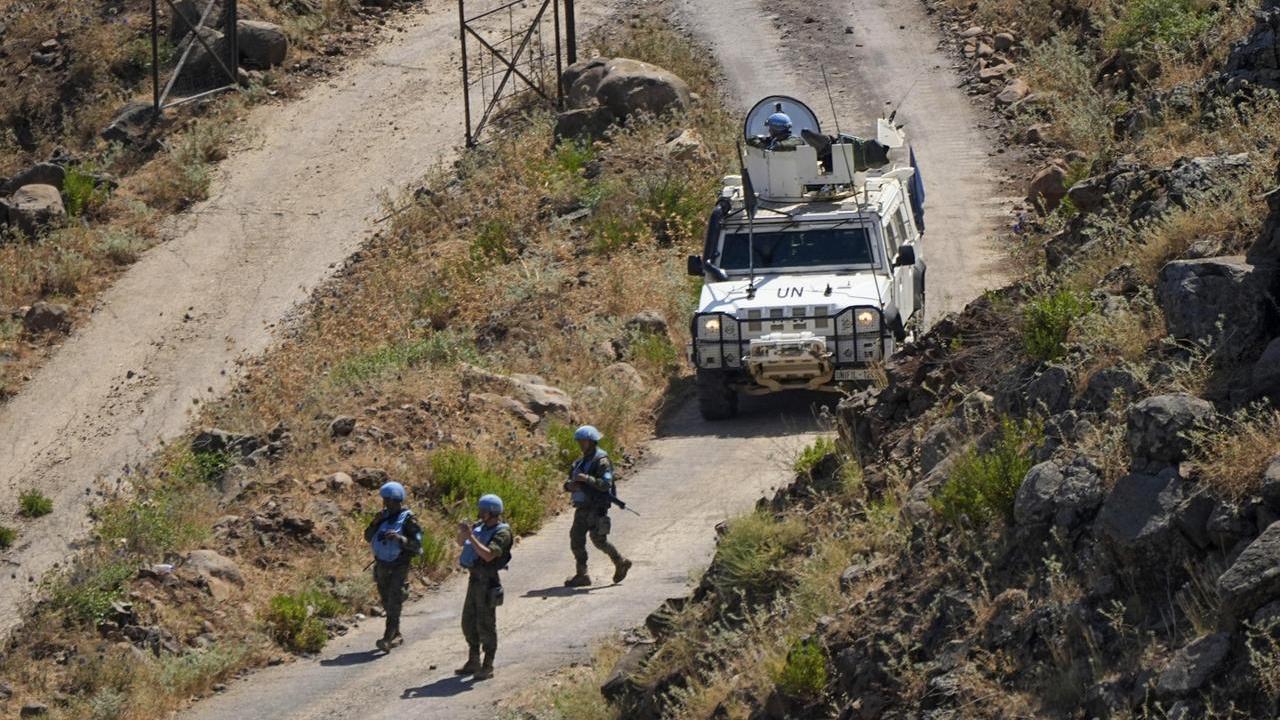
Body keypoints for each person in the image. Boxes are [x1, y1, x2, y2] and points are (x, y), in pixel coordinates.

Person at [563, 425, 632, 588]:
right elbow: (568, 481)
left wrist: (587, 479)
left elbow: (605, 484)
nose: (581, 445)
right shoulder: (579, 462)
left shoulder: (601, 461)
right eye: (579, 442)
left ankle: (620, 562)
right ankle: (582, 574)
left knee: (599, 540)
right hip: (581, 507)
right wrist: (569, 486)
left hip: (596, 506)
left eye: (584, 442)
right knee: (576, 539)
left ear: (592, 442)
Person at [455, 493, 513, 681]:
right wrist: (464, 534)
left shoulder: (502, 533)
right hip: (474, 579)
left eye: (483, 511)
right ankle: (473, 660)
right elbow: (461, 543)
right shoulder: (480, 528)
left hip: (488, 582)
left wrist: (471, 537)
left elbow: (489, 555)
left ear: (492, 513)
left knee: (486, 624)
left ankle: (487, 665)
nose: (479, 513)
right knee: (468, 622)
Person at [364, 481, 423, 652]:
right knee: (386, 600)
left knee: (394, 599)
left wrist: (399, 539)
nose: (385, 504)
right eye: (384, 500)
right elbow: (368, 537)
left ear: (397, 501)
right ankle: (396, 634)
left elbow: (417, 546)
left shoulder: (409, 520)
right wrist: (374, 524)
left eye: (388, 500)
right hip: (382, 564)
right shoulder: (382, 516)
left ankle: (388, 637)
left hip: (399, 565)